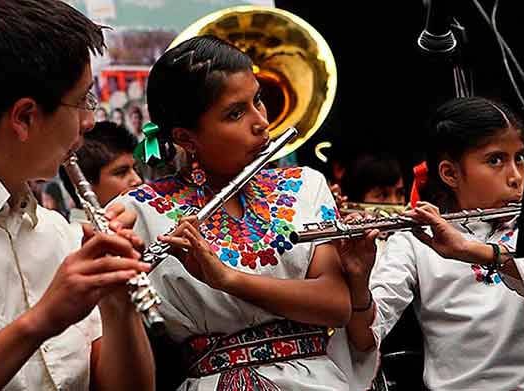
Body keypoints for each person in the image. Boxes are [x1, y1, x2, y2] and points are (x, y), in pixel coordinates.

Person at [114, 35, 378, 390]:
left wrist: (228, 280)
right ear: (186, 138)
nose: (261, 122)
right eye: (235, 113)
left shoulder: (304, 186)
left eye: (257, 101)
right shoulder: (138, 211)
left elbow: (334, 303)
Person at [0, 1, 154, 390]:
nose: (90, 121)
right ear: (24, 117)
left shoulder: (58, 234)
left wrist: (118, 305)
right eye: (84, 101)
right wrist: (40, 321)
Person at [343, 96, 524, 390]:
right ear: (450, 173)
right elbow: (364, 339)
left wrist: (475, 252)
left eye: (519, 158)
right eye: (495, 160)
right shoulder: (415, 241)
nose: (516, 177)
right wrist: (358, 279)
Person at [59, 120, 143, 224]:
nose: (138, 180)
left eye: (136, 169)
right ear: (82, 184)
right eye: (121, 173)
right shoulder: (76, 238)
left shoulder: (142, 215)